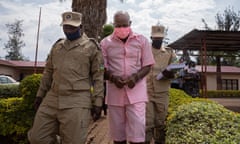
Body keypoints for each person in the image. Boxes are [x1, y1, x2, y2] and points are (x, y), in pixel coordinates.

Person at [28, 11, 104, 144]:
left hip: (77, 100)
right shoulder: (57, 46)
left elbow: (98, 77)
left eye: (72, 27)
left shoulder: (92, 47)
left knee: (74, 141)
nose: (68, 30)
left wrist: (98, 102)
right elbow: (48, 72)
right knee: (37, 137)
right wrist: (40, 95)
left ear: (81, 27)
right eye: (65, 27)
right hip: (52, 98)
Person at [100, 11, 155, 144]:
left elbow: (148, 65)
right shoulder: (105, 43)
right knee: (118, 136)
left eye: (125, 25)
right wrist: (113, 78)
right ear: (114, 25)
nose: (122, 29)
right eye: (118, 26)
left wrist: (135, 78)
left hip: (136, 94)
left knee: (138, 135)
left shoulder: (142, 40)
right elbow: (101, 68)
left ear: (130, 24)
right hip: (115, 93)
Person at [145, 24, 177, 144]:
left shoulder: (169, 53)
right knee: (147, 123)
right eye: (156, 38)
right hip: (146, 92)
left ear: (164, 38)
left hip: (162, 93)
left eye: (160, 38)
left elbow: (177, 71)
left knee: (160, 123)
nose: (158, 40)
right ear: (151, 37)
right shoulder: (144, 51)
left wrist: (172, 74)